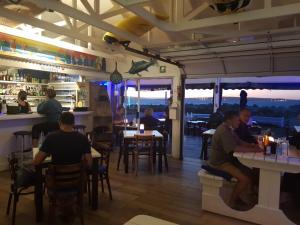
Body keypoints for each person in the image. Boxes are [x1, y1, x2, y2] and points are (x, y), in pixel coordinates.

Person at [209, 111, 262, 209]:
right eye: (237, 120)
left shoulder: (229, 129)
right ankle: (232, 202)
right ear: (230, 120)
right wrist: (255, 149)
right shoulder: (224, 131)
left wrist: (250, 145)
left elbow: (240, 142)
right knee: (245, 179)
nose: (239, 122)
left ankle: (246, 195)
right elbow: (235, 148)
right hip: (220, 163)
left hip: (227, 160)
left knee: (250, 172)